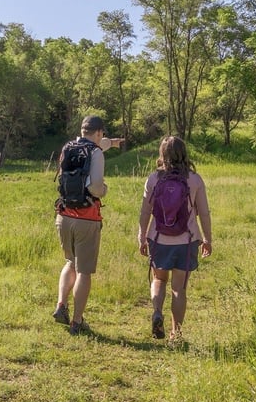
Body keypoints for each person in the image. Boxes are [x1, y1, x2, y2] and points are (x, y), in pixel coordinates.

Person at [53, 115, 124, 335]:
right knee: (84, 272)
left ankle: (61, 306)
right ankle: (77, 321)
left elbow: (97, 145)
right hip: (86, 218)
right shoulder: (95, 153)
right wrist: (105, 190)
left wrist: (111, 143)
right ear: (99, 132)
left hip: (64, 215)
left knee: (70, 262)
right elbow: (94, 187)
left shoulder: (69, 147)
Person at [138, 136, 212, 343]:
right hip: (186, 241)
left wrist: (142, 236)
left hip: (158, 238)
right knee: (179, 289)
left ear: (162, 154)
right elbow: (204, 213)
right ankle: (175, 334)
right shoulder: (195, 180)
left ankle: (156, 312)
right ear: (184, 153)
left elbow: (145, 212)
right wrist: (207, 239)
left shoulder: (154, 179)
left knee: (159, 279)